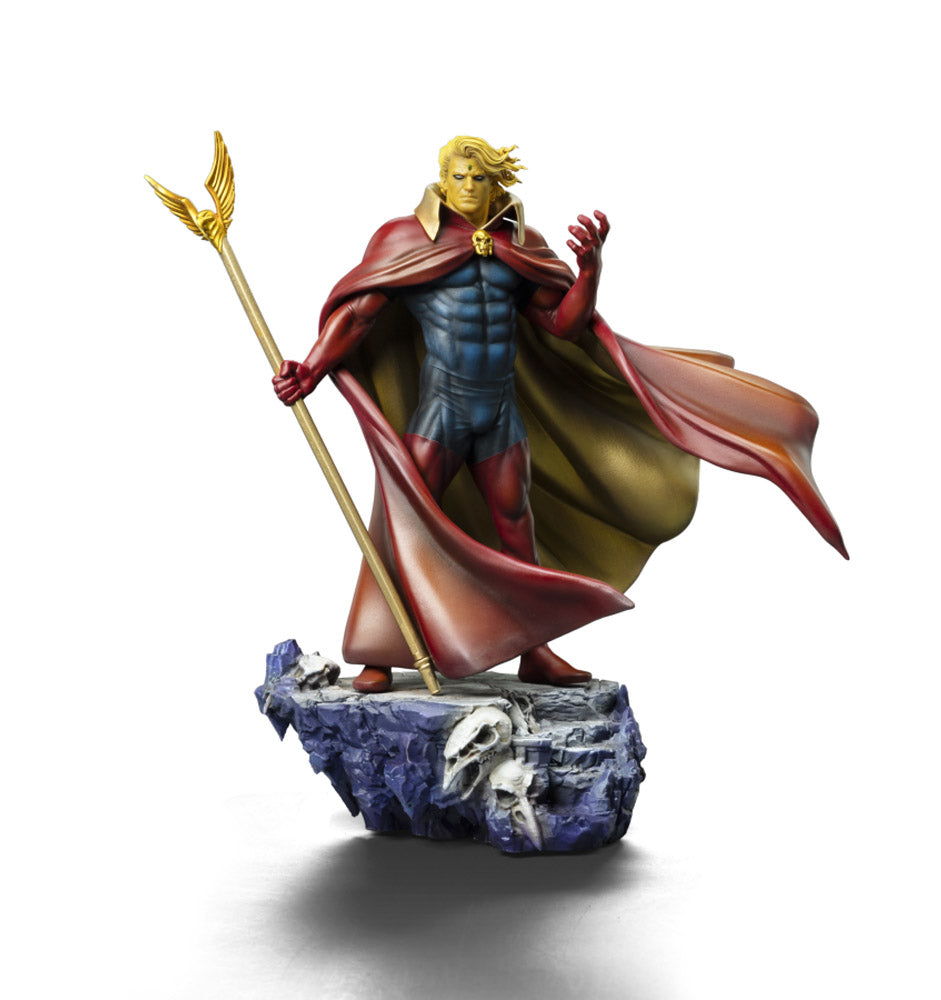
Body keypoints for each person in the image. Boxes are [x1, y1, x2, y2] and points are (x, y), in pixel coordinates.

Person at [274, 136, 846, 694]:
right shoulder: (407, 239)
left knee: (517, 527)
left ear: (496, 183)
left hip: (498, 412)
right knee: (401, 520)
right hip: (441, 409)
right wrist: (312, 368)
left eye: (479, 177)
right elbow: (360, 313)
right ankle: (379, 650)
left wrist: (590, 270)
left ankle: (536, 650)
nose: (468, 186)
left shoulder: (521, 245)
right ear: (441, 181)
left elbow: (562, 325)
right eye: (458, 176)